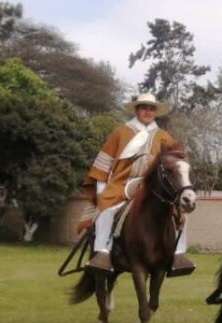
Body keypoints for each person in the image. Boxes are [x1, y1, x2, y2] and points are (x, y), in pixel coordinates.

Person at [79, 93, 195, 275]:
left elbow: (175, 165)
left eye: (151, 109)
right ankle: (102, 252)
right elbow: (104, 163)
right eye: (144, 108)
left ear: (156, 112)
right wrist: (102, 193)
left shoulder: (164, 136)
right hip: (122, 184)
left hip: (153, 187)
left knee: (179, 216)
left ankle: (178, 256)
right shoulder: (120, 132)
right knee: (107, 210)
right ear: (136, 110)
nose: (148, 112)